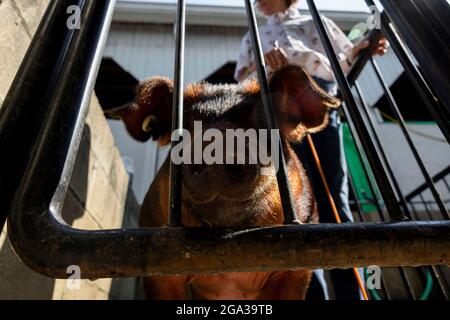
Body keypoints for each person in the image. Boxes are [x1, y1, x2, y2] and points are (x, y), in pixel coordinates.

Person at [234, 0, 388, 300]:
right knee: (295, 206)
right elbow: (241, 80)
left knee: (333, 200)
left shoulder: (319, 23)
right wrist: (262, 65)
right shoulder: (253, 36)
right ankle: (313, 295)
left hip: (317, 95)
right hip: (274, 107)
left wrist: (365, 48)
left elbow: (345, 59)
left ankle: (350, 294)